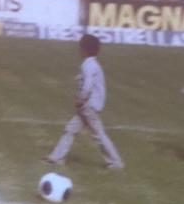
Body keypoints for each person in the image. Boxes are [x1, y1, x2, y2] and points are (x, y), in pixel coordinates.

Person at [44, 34, 124, 170]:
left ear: (85, 50)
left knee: (98, 134)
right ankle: (57, 158)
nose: (79, 50)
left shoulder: (88, 65)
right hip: (88, 106)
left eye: (80, 48)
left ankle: (116, 162)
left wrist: (79, 100)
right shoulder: (92, 64)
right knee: (70, 129)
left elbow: (87, 87)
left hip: (89, 106)